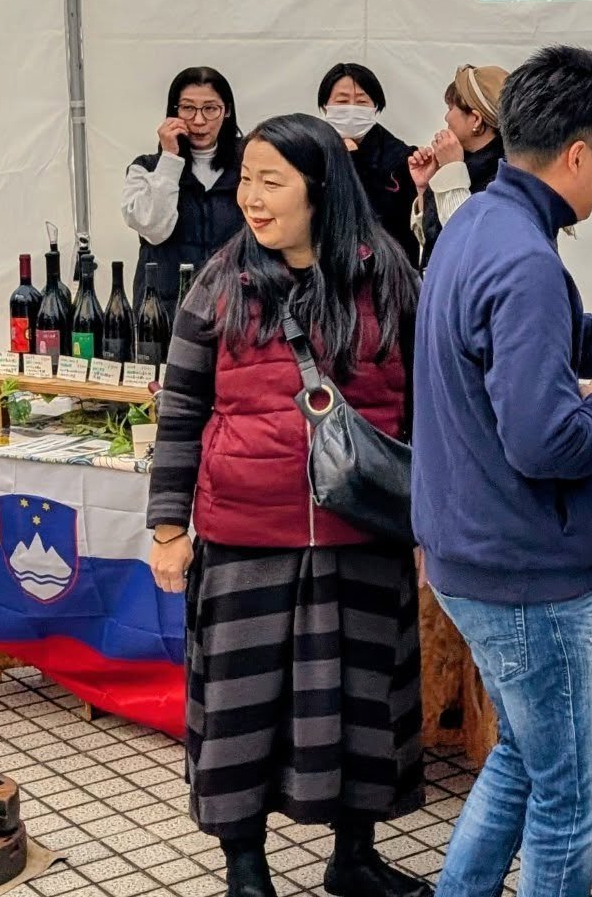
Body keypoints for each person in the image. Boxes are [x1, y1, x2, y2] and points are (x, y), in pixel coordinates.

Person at [413, 45, 592, 897]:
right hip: (527, 571)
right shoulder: (525, 258)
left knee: (525, 757)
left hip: (471, 550)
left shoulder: (482, 224)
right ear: (576, 155)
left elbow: (565, 333)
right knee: (572, 799)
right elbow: (543, 438)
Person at [147, 114, 427, 897]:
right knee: (243, 709)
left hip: (361, 528)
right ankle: (244, 867)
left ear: (321, 190)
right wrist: (170, 527)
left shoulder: (389, 277)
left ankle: (355, 856)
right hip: (247, 533)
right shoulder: (220, 282)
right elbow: (182, 411)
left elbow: (424, 409)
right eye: (247, 180)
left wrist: (436, 517)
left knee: (361, 699)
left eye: (273, 182)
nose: (253, 199)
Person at [122, 66, 243, 306]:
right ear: (173, 112)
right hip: (164, 312)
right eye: (188, 108)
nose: (199, 121)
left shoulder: (248, 165)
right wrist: (170, 159)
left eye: (210, 109)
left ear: (226, 111)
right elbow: (153, 230)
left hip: (233, 308)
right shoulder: (145, 168)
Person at [407, 63, 508, 270]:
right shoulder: (470, 163)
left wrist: (453, 168)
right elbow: (432, 241)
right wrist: (425, 187)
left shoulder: (504, 175)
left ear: (476, 120)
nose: (446, 118)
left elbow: (470, 244)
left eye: (451, 108)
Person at [318, 62, 419, 265]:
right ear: (324, 107)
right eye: (342, 101)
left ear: (376, 108)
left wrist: (355, 161)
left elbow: (393, 221)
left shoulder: (401, 159)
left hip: (387, 269)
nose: (351, 109)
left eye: (361, 102)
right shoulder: (311, 151)